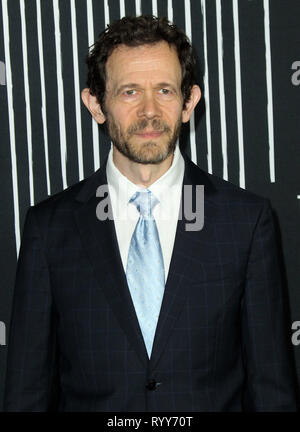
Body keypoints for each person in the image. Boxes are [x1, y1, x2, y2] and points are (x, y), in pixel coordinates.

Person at [3, 15, 298, 412]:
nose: (149, 111)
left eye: (164, 89)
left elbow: (272, 390)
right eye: (128, 92)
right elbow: (27, 394)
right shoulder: (50, 228)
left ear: (189, 101)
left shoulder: (246, 222)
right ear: (95, 103)